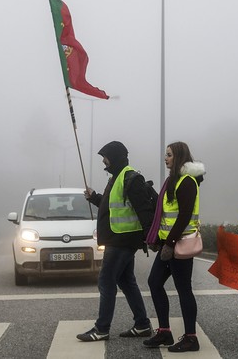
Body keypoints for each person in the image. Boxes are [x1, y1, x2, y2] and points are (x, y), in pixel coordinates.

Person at [76, 141, 154, 342]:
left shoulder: (130, 178)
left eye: (106, 157)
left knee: (106, 280)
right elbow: (111, 205)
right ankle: (142, 324)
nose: (104, 161)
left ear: (116, 157)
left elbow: (143, 209)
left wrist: (151, 237)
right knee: (126, 281)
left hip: (122, 239)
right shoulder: (117, 178)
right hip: (118, 238)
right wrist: (94, 197)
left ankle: (101, 329)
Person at [143, 141, 206, 353]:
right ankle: (164, 331)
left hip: (180, 245)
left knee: (184, 290)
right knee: (154, 282)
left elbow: (185, 215)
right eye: (165, 154)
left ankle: (191, 338)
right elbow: (167, 215)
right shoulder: (173, 180)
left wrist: (169, 243)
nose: (165, 158)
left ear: (178, 156)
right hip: (168, 244)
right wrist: (159, 240)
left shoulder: (187, 182)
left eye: (169, 154)